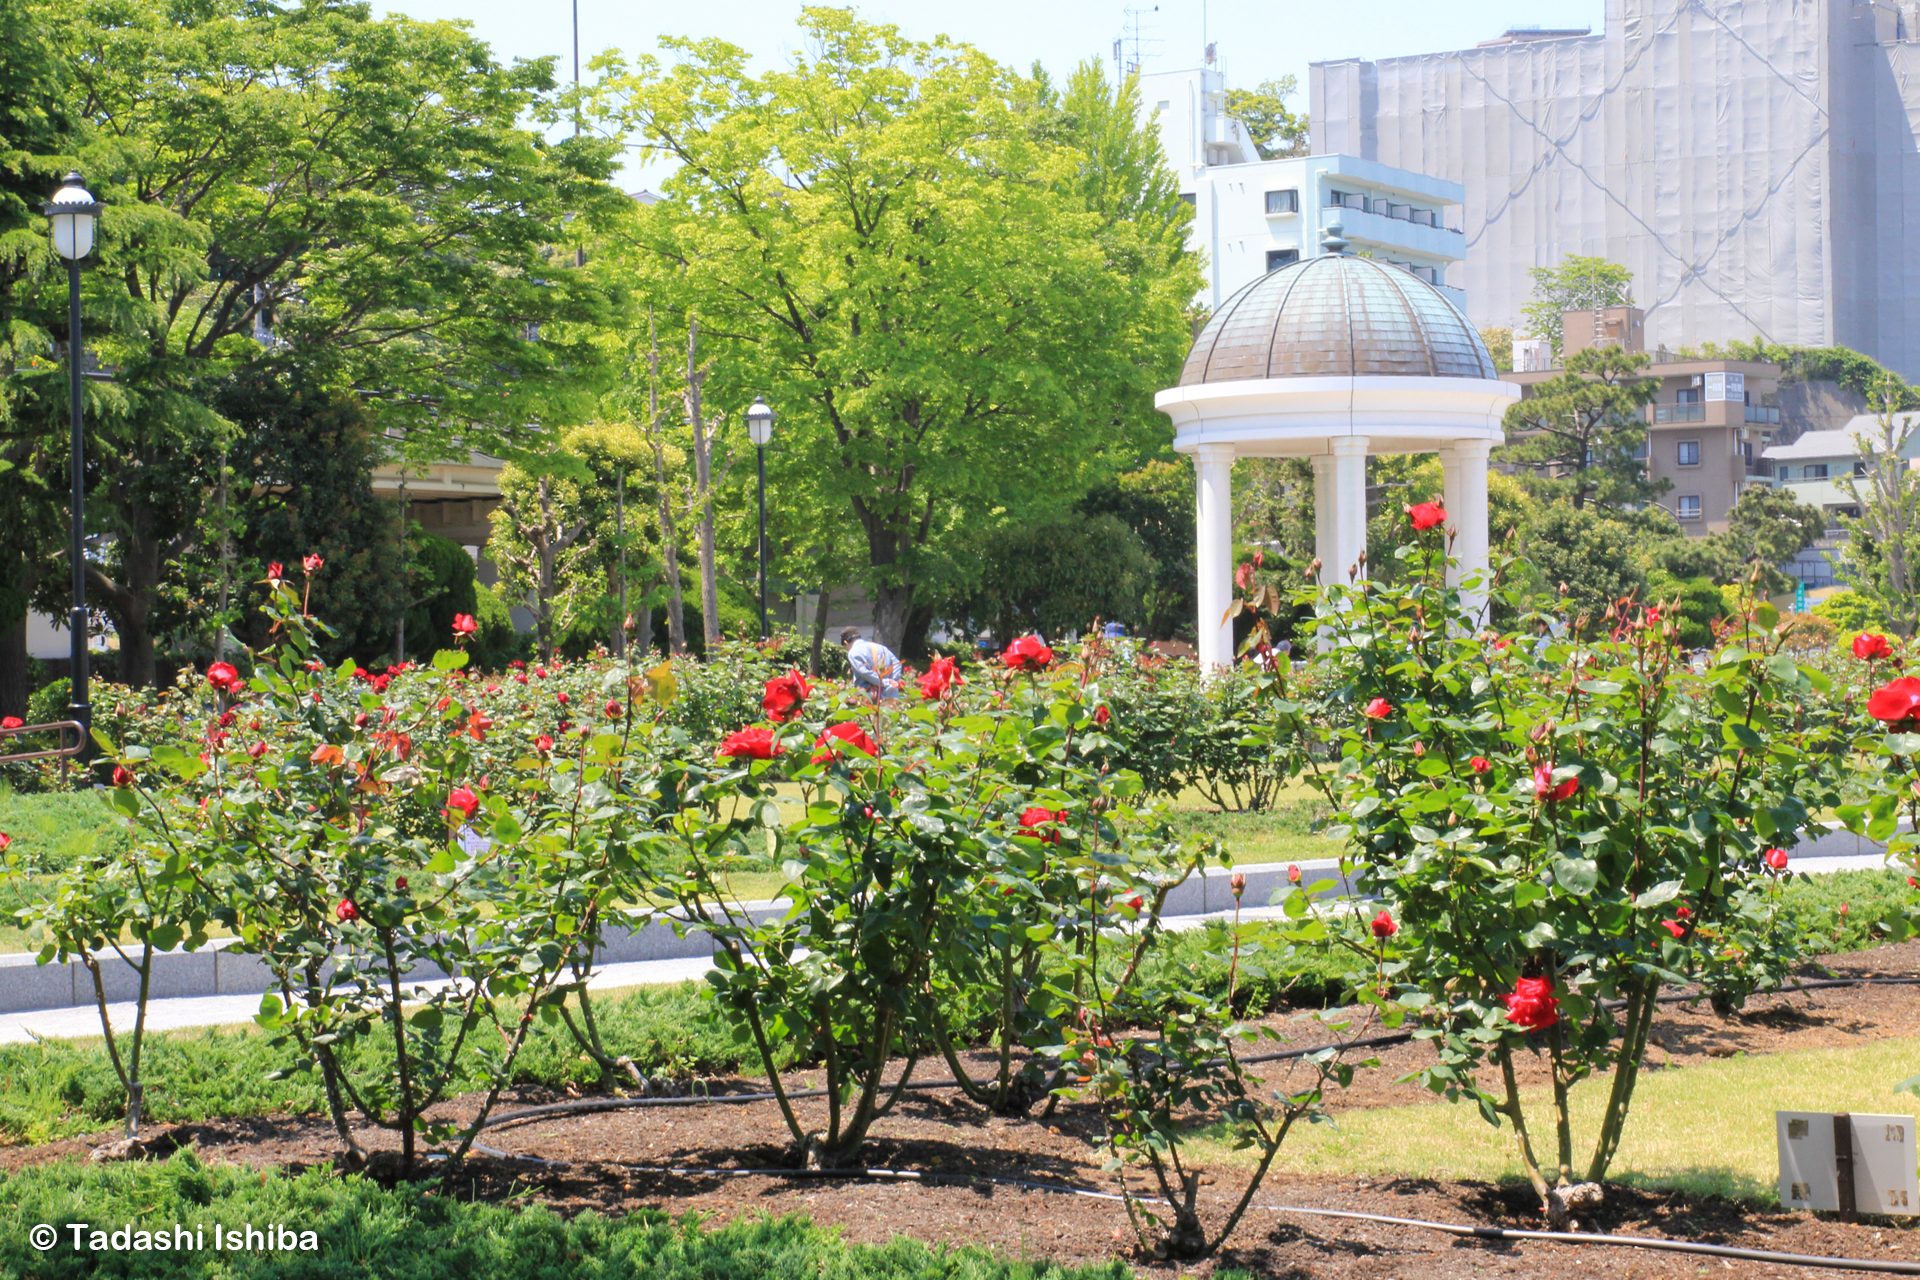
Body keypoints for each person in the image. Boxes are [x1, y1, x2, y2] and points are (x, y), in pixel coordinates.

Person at [841, 626, 903, 698]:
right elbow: (897, 664)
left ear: (846, 642)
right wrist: (892, 682)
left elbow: (864, 672)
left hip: (871, 698)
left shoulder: (853, 652)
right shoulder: (881, 647)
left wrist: (884, 682)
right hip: (892, 696)